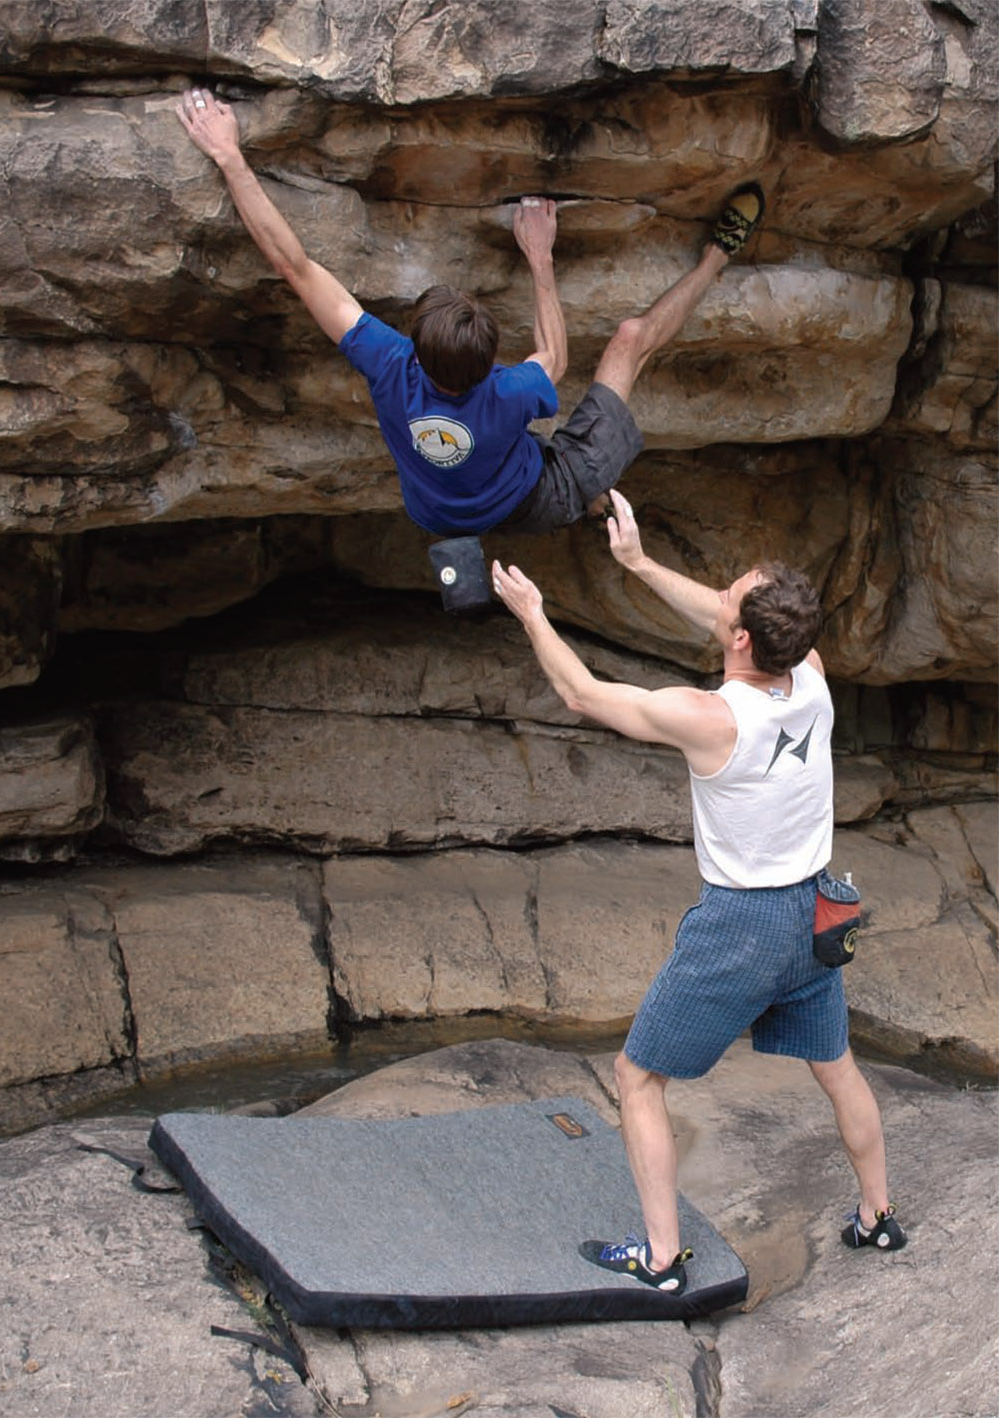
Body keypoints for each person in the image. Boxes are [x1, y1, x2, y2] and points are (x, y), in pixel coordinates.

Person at [491, 490, 907, 1294]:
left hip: (743, 924)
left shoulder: (713, 717)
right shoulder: (812, 676)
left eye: (728, 599)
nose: (716, 601)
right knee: (838, 1067)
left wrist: (533, 613)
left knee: (637, 1079)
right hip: (817, 912)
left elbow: (582, 694)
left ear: (743, 637)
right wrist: (639, 563)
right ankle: (876, 1217)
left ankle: (658, 1261)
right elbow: (724, 618)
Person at [175, 86, 765, 538]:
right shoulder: (510, 394)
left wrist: (230, 158)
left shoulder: (388, 364)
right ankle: (715, 259)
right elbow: (555, 356)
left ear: (414, 343)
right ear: (492, 364)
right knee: (632, 338)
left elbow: (295, 266)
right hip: (537, 498)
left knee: (528, 451)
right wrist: (539, 253)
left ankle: (584, 498)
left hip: (440, 514)